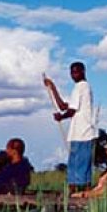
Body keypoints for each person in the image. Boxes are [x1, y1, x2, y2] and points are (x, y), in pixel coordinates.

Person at [43, 62, 97, 193]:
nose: (74, 75)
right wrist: (52, 87)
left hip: (83, 132)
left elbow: (71, 111)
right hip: (77, 133)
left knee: (82, 164)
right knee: (74, 164)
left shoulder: (82, 86)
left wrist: (61, 117)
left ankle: (84, 192)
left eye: (76, 72)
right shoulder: (79, 88)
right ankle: (72, 192)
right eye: (72, 72)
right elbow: (63, 106)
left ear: (83, 72)